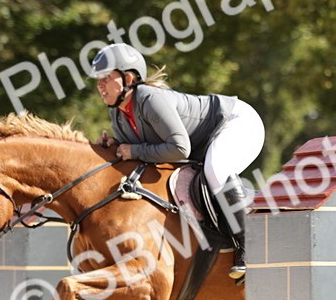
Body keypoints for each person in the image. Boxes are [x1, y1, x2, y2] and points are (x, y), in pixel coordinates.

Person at [89, 43, 265, 280]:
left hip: (238, 122)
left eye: (106, 78)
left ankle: (250, 247)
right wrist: (114, 144)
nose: (100, 85)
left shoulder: (149, 98)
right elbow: (136, 147)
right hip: (205, 141)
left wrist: (133, 150)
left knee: (216, 169)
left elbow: (179, 148)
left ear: (128, 78)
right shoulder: (117, 112)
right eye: (98, 79)